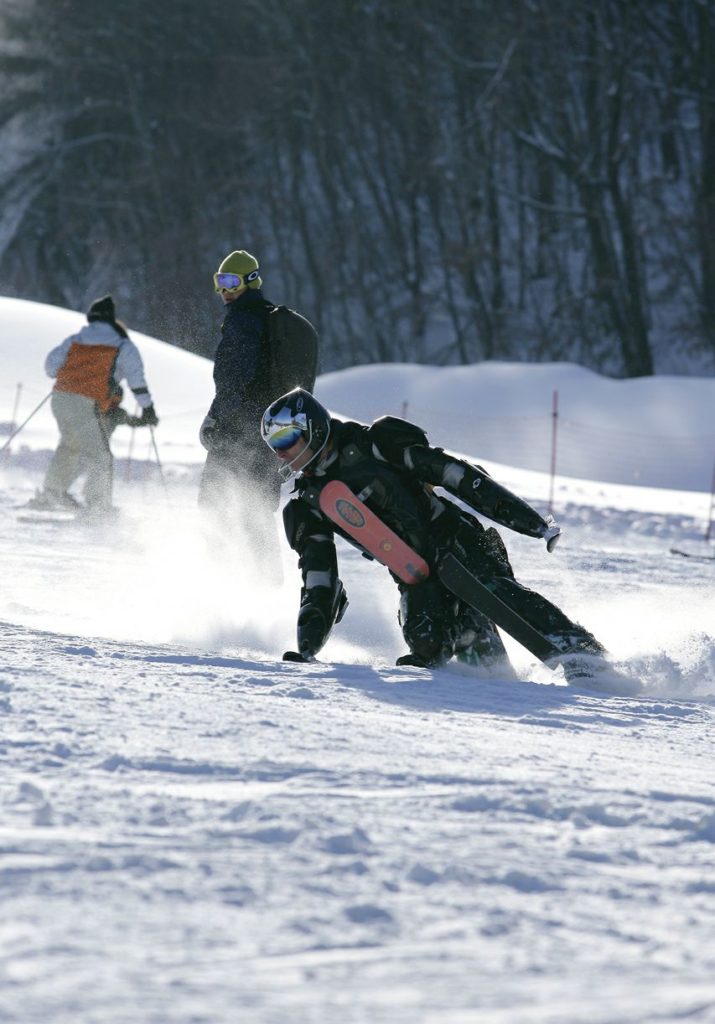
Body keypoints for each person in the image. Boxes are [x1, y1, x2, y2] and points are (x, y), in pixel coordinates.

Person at [260, 388, 611, 681]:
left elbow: (457, 476)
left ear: (313, 427)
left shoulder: (377, 443)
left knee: (497, 593)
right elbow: (319, 578)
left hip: (457, 541)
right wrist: (306, 649)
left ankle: (586, 657)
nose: (281, 451)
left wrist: (531, 524)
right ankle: (485, 660)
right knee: (426, 642)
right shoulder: (307, 505)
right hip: (416, 574)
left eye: (286, 437)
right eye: (273, 444)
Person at [198, 249, 316, 569]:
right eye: (220, 282)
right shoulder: (268, 319)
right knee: (258, 507)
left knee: (215, 502)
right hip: (273, 430)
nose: (224, 290)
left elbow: (234, 379)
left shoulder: (243, 322)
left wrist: (216, 420)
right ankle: (265, 581)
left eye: (231, 282)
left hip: (239, 430)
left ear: (250, 281)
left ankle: (221, 575)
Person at [30, 295, 158, 515]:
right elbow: (136, 379)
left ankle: (52, 492)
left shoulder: (75, 340)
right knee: (100, 455)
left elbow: (51, 368)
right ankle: (98, 505)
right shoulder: (122, 344)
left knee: (70, 446)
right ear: (111, 319)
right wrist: (148, 408)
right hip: (87, 401)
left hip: (59, 398)